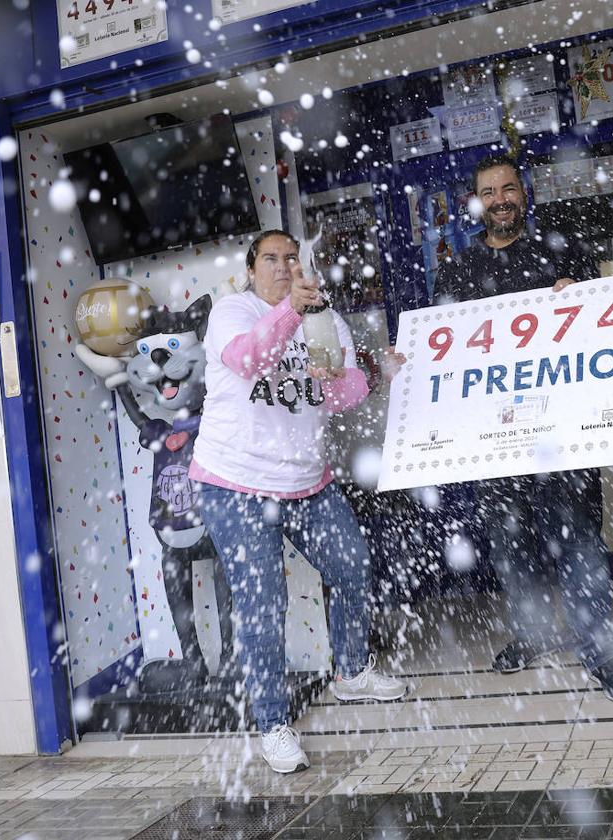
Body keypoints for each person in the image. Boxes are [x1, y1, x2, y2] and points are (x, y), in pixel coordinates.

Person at [190, 229, 406, 774]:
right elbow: (248, 361)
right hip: (234, 482)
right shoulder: (231, 312)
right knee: (263, 605)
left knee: (352, 565)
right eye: (272, 258)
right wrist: (289, 310)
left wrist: (340, 379)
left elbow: (349, 389)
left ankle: (352, 672)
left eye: (292, 257)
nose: (284, 265)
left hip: (306, 479)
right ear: (251, 267)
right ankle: (271, 722)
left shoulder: (322, 316)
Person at [433, 153, 613, 703]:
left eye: (508, 188)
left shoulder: (563, 250)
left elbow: (605, 325)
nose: (500, 199)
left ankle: (600, 651)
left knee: (581, 547)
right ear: (476, 203)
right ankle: (531, 635)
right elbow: (442, 351)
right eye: (489, 191)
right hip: (496, 441)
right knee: (509, 548)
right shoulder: (458, 270)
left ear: (523, 193)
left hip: (564, 433)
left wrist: (585, 296)